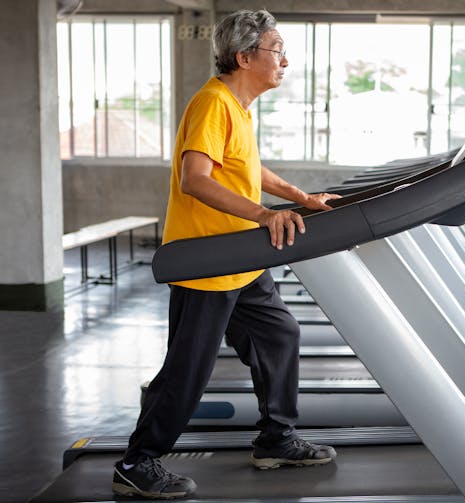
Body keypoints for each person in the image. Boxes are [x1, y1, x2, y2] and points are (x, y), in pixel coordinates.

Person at [112, 9, 341, 500]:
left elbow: (248, 169)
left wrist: (302, 199)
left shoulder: (238, 107)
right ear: (244, 56)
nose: (286, 60)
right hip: (210, 263)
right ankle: (137, 462)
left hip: (242, 259)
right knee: (188, 370)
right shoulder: (214, 102)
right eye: (276, 50)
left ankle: (276, 439)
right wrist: (264, 216)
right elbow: (194, 179)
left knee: (280, 334)